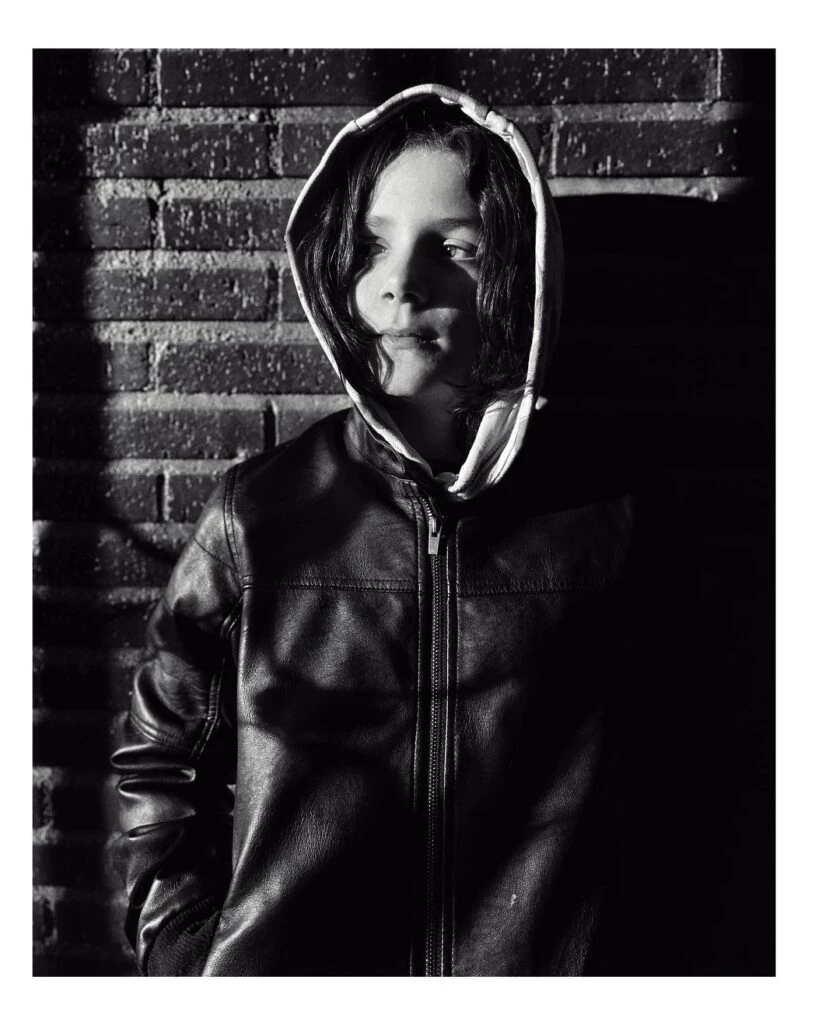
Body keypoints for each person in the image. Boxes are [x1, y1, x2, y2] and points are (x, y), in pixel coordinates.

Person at [111, 83, 656, 977]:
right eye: (373, 244)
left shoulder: (611, 525)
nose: (402, 281)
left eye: (457, 247)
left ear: (525, 275)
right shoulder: (260, 515)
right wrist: (186, 954)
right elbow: (160, 763)